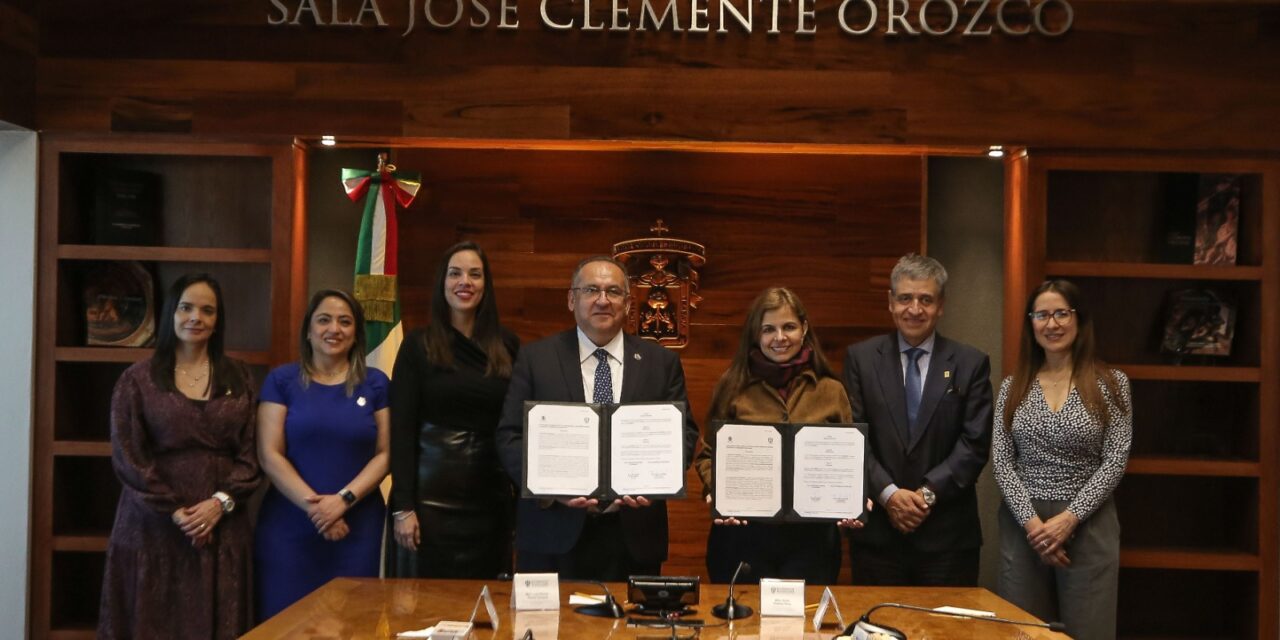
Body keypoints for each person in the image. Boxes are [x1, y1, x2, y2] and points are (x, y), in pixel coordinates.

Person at [495, 255, 699, 580]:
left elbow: (683, 435)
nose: (602, 300)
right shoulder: (536, 359)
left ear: (628, 303)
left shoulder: (660, 363)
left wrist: (654, 485)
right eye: (591, 290)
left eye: (613, 291)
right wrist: (550, 488)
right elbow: (509, 436)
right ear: (571, 299)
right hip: (552, 531)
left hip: (633, 534)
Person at [98, 274, 260, 639]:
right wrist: (174, 511)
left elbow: (252, 453)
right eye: (186, 308)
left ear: (218, 319)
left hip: (223, 524)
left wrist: (219, 504)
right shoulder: (137, 379)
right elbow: (128, 455)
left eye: (207, 310)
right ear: (171, 312)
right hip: (151, 526)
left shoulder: (240, 377)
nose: (196, 317)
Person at [693, 287, 862, 584]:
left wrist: (852, 499)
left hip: (812, 542)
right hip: (742, 536)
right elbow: (708, 455)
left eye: (789, 327)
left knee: (805, 616)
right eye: (768, 329)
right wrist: (716, 491)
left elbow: (848, 460)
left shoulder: (830, 390)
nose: (779, 338)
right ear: (755, 334)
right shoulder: (732, 386)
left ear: (804, 328)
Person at [842, 253, 993, 586]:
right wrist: (890, 495)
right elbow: (853, 438)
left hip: (948, 538)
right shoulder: (861, 359)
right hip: (878, 538)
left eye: (926, 299)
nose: (914, 309)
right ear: (890, 302)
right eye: (905, 298)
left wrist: (926, 495)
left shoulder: (971, 363)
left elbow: (974, 444)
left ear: (941, 306)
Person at [993, 280, 1131, 640]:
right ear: (1031, 323)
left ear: (1078, 319)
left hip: (1088, 523)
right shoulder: (1012, 386)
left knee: (1089, 632)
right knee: (1022, 633)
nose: (1051, 324)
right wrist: (1034, 527)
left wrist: (1069, 519)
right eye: (1041, 315)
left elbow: (1115, 459)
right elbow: (1002, 462)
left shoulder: (1112, 383)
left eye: (1061, 314)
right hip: (1024, 525)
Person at [386, 241, 519, 578]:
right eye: (455, 273)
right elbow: (401, 430)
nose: (465, 282)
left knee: (486, 600)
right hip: (428, 500)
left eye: (475, 274)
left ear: (486, 285)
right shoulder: (417, 345)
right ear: (442, 283)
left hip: (489, 500)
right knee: (424, 602)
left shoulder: (507, 346)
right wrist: (403, 507)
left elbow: (517, 426)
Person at [254, 289, 390, 620]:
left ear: (356, 332)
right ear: (308, 330)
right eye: (324, 320)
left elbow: (386, 454)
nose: (334, 329)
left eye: (345, 322)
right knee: (285, 626)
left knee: (353, 624)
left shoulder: (375, 383)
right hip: (291, 527)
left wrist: (342, 501)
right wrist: (317, 510)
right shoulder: (281, 380)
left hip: (358, 527)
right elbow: (269, 454)